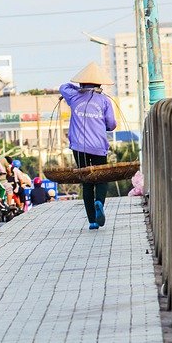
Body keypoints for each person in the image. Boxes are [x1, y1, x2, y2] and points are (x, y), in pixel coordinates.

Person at [59, 62, 116, 230]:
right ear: (99, 84)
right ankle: (99, 201)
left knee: (87, 181)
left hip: (79, 147)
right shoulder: (104, 100)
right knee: (101, 177)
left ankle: (92, 220)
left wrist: (77, 89)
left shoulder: (74, 97)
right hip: (98, 145)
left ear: (81, 83)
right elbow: (111, 124)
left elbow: (63, 86)